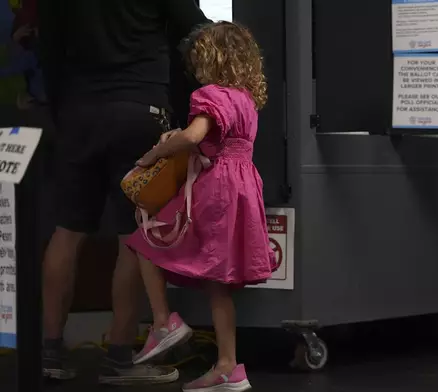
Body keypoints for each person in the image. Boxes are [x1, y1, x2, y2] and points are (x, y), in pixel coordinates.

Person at [37, 0, 208, 385]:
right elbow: (197, 29)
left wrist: (59, 109)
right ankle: (118, 356)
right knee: (133, 237)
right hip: (139, 109)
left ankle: (47, 351)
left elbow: (48, 45)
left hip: (79, 110)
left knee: (66, 229)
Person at [125, 21, 276, 392]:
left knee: (146, 241)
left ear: (210, 59)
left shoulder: (210, 95)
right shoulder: (247, 100)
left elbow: (195, 137)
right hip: (244, 188)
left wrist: (154, 153)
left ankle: (164, 322)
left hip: (216, 189)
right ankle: (229, 367)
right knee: (219, 284)